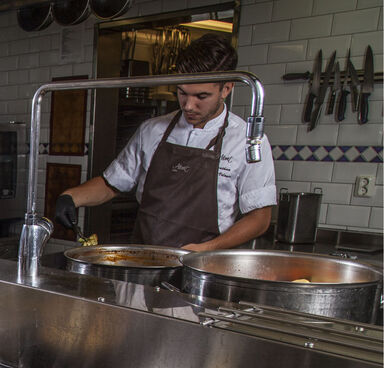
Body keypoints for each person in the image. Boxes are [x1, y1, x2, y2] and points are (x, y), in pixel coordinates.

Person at [55, 34, 276, 251]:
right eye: (182, 93)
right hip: (144, 258)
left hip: (203, 263)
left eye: (201, 96)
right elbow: (112, 183)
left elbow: (259, 218)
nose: (188, 105)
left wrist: (205, 249)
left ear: (226, 88)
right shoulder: (152, 130)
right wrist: (71, 196)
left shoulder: (246, 140)